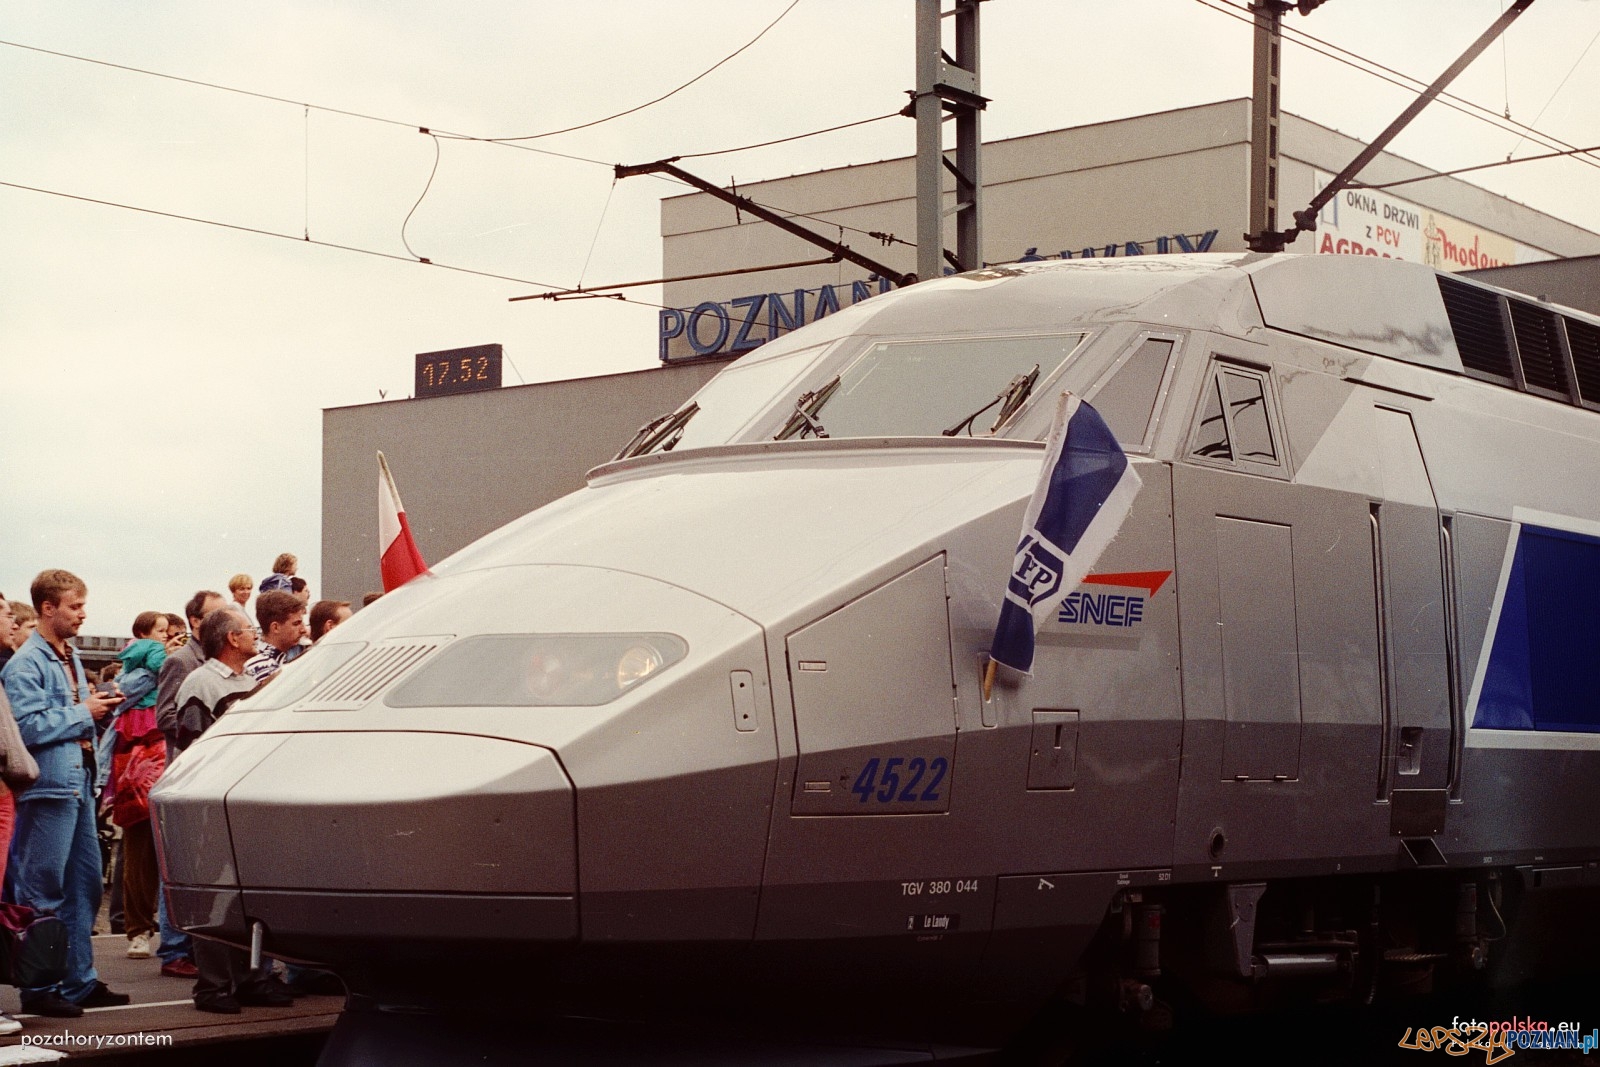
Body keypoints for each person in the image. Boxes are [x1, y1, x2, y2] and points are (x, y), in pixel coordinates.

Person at [0, 570, 130, 1017]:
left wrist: (95, 707)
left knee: (85, 886)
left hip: (75, 785)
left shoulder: (65, 656)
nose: (82, 614)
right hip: (49, 789)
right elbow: (25, 728)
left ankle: (78, 980)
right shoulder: (27, 663)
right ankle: (40, 988)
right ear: (48, 608)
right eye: (74, 606)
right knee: (44, 889)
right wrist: (83, 711)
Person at [172, 607, 291, 1014]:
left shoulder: (248, 680)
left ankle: (250, 977)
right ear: (230, 639)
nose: (254, 635)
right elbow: (192, 741)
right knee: (214, 894)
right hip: (213, 800)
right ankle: (214, 986)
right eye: (248, 630)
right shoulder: (201, 683)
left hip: (243, 797)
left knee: (248, 892)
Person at [150, 589, 226, 981]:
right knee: (181, 862)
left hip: (211, 773)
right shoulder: (181, 662)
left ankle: (192, 946)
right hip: (189, 770)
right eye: (215, 615)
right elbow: (165, 716)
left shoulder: (218, 662)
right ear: (195, 622)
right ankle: (174, 949)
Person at [109, 611, 177, 961]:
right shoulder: (142, 665)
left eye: (168, 633)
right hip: (135, 761)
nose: (165, 639)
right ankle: (137, 928)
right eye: (160, 632)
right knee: (138, 847)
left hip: (160, 758)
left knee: (153, 850)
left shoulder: (166, 665)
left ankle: (149, 928)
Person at [243, 591, 307, 684]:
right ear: (275, 627)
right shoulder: (262, 667)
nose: (303, 630)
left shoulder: (277, 659)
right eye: (296, 624)